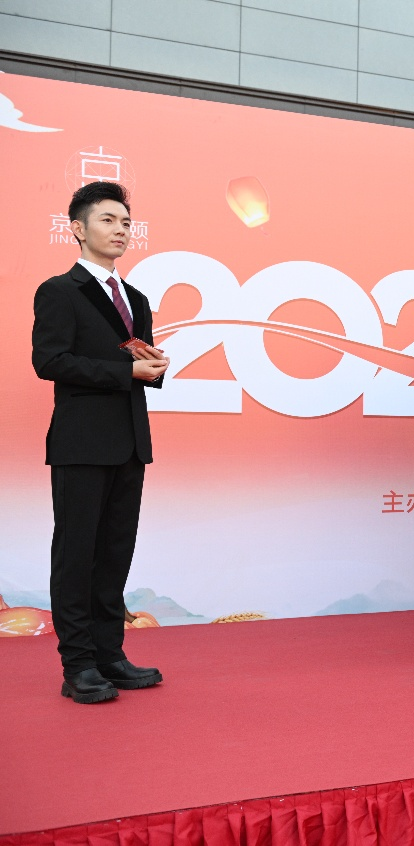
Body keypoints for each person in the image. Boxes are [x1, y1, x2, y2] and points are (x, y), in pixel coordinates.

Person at [31, 181, 170, 704]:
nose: (120, 231)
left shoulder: (136, 298)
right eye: (108, 220)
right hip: (81, 442)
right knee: (77, 555)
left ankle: (110, 654)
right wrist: (125, 371)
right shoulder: (59, 291)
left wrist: (154, 367)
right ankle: (78, 665)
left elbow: (137, 365)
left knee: (114, 554)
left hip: (130, 442)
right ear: (77, 228)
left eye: (126, 223)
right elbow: (50, 361)